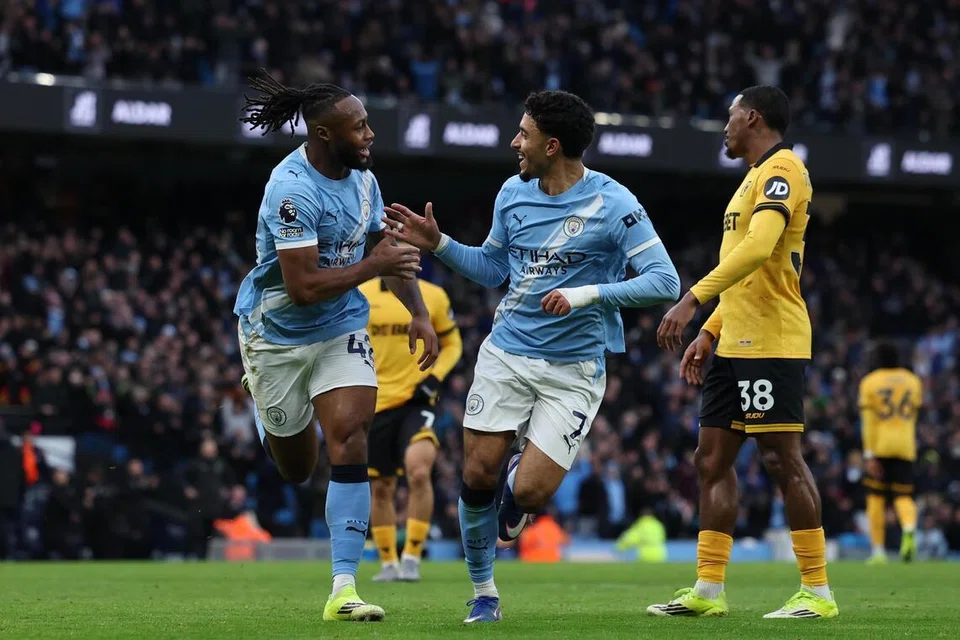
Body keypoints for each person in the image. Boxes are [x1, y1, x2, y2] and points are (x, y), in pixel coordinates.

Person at [382, 90, 681, 623]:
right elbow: (494, 269)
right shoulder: (512, 194)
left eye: (523, 134)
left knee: (531, 493)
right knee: (476, 475)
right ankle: (484, 593)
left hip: (574, 370)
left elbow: (664, 281)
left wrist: (587, 294)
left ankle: (520, 480)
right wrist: (440, 244)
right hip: (508, 354)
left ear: (553, 144)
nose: (514, 142)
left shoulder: (614, 204)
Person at [234, 71, 439, 623]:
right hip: (276, 334)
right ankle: (267, 407)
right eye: (360, 126)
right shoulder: (291, 190)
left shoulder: (363, 179)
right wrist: (373, 265)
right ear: (324, 134)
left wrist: (417, 311)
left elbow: (385, 249)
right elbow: (300, 288)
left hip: (341, 327)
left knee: (350, 438)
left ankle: (343, 590)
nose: (371, 134)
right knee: (297, 467)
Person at [650, 85, 839, 619]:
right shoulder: (750, 180)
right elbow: (744, 270)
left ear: (752, 117)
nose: (725, 127)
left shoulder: (785, 170)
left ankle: (817, 592)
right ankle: (708, 591)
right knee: (710, 460)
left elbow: (759, 249)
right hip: (733, 341)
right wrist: (710, 330)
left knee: (781, 459)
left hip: (772, 340)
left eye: (730, 117)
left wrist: (691, 300)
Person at [358, 275, 463, 582]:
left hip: (418, 399)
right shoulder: (360, 295)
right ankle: (389, 562)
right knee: (381, 487)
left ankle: (412, 557)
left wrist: (435, 377)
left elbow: (452, 341)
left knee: (419, 470)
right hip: (375, 400)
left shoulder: (433, 295)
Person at [859, 340, 922, 564]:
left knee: (875, 497)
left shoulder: (869, 382)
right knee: (903, 496)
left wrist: (868, 454)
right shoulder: (913, 381)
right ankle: (909, 527)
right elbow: (914, 411)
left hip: (880, 445)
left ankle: (878, 551)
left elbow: (868, 421)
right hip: (905, 445)